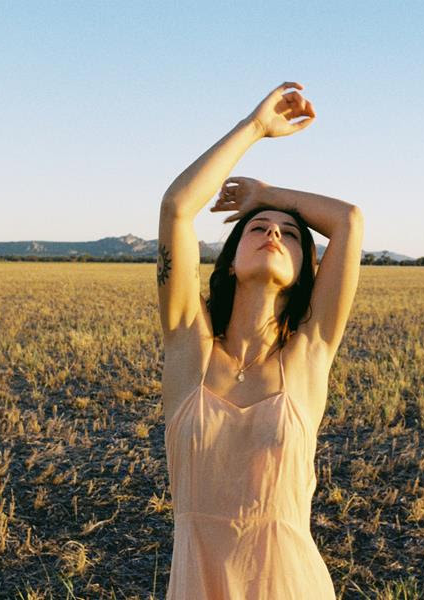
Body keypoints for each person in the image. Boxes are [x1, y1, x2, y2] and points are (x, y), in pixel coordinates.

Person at [156, 81, 364, 599]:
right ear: (229, 261)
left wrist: (266, 195)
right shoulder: (189, 349)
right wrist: (254, 128)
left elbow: (347, 220)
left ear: (304, 271)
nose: (273, 233)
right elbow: (177, 208)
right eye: (258, 228)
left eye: (290, 235)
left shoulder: (309, 354)